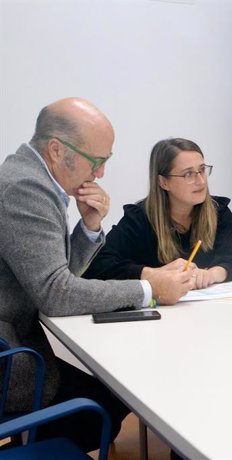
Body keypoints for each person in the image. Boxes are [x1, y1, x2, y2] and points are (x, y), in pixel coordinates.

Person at [0, 98, 194, 453]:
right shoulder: (26, 189)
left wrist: (89, 226)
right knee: (116, 397)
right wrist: (149, 289)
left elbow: (58, 273)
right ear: (57, 150)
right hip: (10, 359)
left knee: (112, 391)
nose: (100, 173)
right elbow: (56, 294)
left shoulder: (30, 176)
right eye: (97, 161)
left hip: (16, 341)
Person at [83, 138, 232, 288]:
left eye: (202, 170)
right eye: (189, 174)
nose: (201, 181)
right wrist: (152, 275)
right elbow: (97, 265)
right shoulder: (140, 218)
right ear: (164, 182)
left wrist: (211, 275)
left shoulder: (218, 210)